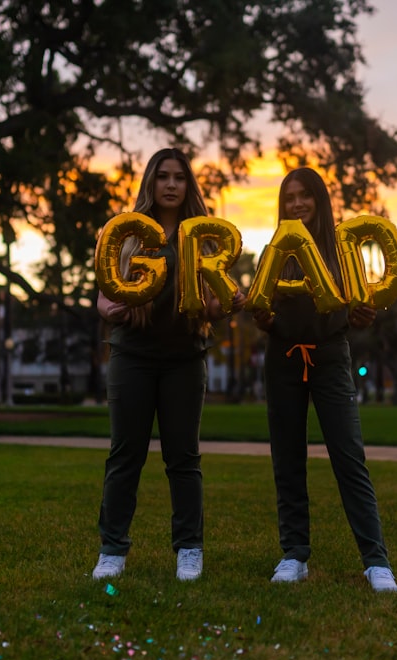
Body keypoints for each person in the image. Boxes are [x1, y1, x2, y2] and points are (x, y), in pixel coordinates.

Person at [92, 147, 246, 582]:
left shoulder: (202, 235)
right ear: (151, 183)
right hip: (132, 356)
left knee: (184, 459)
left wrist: (228, 304)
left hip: (184, 358)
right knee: (126, 455)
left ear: (189, 185)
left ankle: (189, 549)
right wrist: (110, 310)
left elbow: (211, 305)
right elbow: (105, 296)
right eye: (164, 177)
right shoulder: (124, 232)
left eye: (180, 177)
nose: (172, 185)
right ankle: (112, 549)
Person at [251, 167, 397, 593]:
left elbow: (354, 314)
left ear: (319, 200)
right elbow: (268, 315)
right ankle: (294, 554)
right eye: (289, 197)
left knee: (349, 458)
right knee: (288, 459)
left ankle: (376, 561)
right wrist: (263, 318)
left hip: (331, 360)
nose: (296, 204)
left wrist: (361, 317)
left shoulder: (343, 251)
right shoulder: (274, 251)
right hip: (283, 362)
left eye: (305, 196)